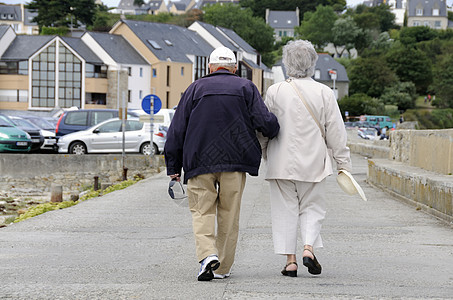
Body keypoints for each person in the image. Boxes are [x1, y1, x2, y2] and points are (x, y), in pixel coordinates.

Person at [165, 46, 279, 281]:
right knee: (229, 214)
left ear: (209, 67)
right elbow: (265, 123)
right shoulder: (246, 88)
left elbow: (177, 130)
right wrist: (275, 126)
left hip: (198, 162)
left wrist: (173, 167)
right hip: (236, 162)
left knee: (201, 210)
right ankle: (222, 267)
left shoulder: (194, 89)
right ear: (235, 68)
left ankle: (207, 256)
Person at [259, 40, 352, 277]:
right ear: (313, 63)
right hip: (314, 162)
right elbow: (336, 131)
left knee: (284, 209)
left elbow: (264, 127)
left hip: (281, 160)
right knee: (312, 207)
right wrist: (343, 163)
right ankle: (308, 248)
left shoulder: (275, 91)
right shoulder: (324, 93)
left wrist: (264, 152)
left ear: (286, 63)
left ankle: (290, 262)